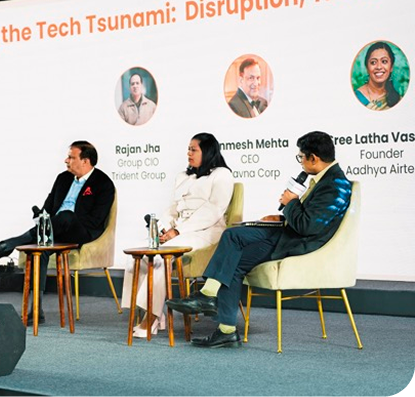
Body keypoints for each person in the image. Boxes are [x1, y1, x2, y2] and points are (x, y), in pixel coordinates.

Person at [166, 131, 352, 348]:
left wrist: (291, 203)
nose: (300, 161)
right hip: (288, 232)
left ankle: (208, 295)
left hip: (300, 242)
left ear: (314, 158)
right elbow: (311, 218)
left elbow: (308, 227)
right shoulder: (325, 179)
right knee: (234, 253)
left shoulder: (336, 184)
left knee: (232, 235)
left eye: (301, 157)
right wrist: (281, 217)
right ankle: (226, 331)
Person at [0, 140, 115, 324]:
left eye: (71, 157)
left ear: (85, 161)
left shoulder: (103, 183)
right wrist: (42, 217)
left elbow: (96, 220)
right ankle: (36, 310)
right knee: (40, 251)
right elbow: (48, 208)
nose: (66, 160)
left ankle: (11, 244)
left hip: (82, 232)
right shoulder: (63, 178)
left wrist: (61, 222)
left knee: (66, 217)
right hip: (55, 231)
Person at [121, 133, 234, 338]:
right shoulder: (183, 176)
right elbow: (173, 209)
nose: (188, 153)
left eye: (194, 149)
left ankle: (152, 317)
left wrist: (178, 231)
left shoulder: (222, 175)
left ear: (207, 151)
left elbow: (214, 210)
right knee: (138, 256)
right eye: (188, 149)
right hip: (180, 231)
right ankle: (145, 311)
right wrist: (164, 228)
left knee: (160, 258)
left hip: (207, 232)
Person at [354, 41, 402, 110]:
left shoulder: (397, 99)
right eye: (373, 62)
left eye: (384, 61)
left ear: (391, 67)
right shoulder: (357, 97)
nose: (379, 67)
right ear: (367, 68)